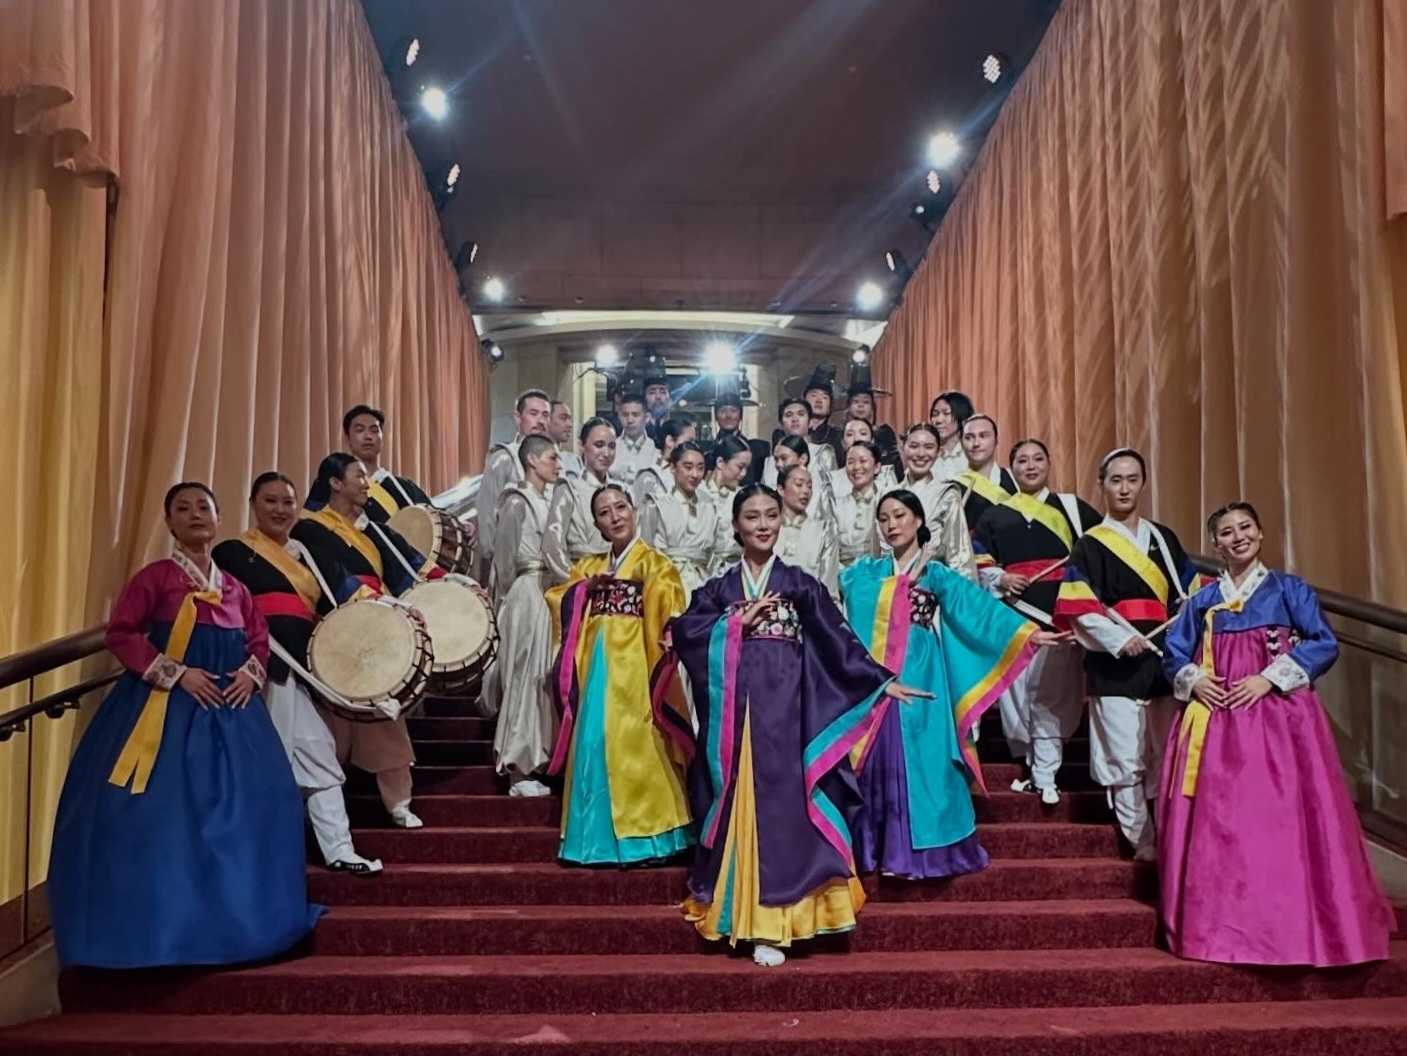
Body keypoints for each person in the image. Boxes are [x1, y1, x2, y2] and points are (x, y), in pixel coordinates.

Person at [48, 483, 322, 968]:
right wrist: (176, 673)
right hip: (164, 710)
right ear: (169, 521)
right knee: (156, 817)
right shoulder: (155, 579)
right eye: (183, 508)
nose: (195, 515)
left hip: (232, 713)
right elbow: (121, 633)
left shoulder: (234, 588)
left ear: (218, 518)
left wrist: (249, 673)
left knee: (252, 811)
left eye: (204, 507)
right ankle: (161, 930)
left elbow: (258, 639)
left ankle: (243, 924)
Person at [671, 484, 927, 967]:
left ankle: (776, 922)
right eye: (752, 517)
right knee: (738, 805)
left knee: (784, 814)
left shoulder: (800, 584)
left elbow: (837, 640)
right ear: (735, 526)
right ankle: (736, 911)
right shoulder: (718, 589)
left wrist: (878, 682)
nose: (763, 525)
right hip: (736, 720)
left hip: (789, 716)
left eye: (771, 515)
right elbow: (685, 630)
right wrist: (735, 626)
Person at [1159, 502, 1394, 966]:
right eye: (1227, 532)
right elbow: (1173, 653)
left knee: (1278, 819)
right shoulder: (1202, 601)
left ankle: (1290, 925)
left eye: (1245, 527)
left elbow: (1322, 642)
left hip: (1279, 721)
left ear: (1261, 533)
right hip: (1217, 719)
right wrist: (1195, 680)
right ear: (1215, 544)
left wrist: (1268, 678)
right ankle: (1219, 926)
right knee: (1221, 824)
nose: (1238, 537)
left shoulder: (1290, 590)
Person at [843, 489, 1048, 879]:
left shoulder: (936, 573)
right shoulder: (869, 570)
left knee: (927, 755)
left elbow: (977, 610)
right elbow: (855, 595)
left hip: (923, 665)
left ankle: (925, 854)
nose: (891, 525)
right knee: (880, 754)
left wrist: (1027, 634)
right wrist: (904, 583)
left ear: (918, 520)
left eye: (899, 515)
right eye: (884, 518)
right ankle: (878, 850)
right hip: (881, 671)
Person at [214, 472, 383, 875]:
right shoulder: (232, 553)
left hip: (298, 672)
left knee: (315, 754)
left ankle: (338, 850)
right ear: (253, 504)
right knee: (267, 763)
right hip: (252, 675)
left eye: (288, 502)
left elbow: (348, 595)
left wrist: (397, 612)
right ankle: (256, 858)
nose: (280, 509)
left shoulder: (307, 554)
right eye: (270, 501)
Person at [1054, 448, 1199, 860]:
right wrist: (1118, 639)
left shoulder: (1164, 539)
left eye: (1132, 479)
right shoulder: (1090, 544)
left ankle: (1170, 834)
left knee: (1164, 752)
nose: (1124, 488)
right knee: (1124, 757)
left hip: (1162, 660)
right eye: (1115, 480)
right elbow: (1080, 606)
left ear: (1142, 484)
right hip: (1114, 664)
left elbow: (1189, 594)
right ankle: (1143, 840)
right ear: (1101, 485)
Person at [543, 485, 695, 865]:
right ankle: (593, 841)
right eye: (604, 512)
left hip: (637, 665)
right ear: (596, 524)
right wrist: (584, 589)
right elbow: (560, 598)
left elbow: (670, 603)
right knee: (593, 742)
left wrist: (667, 623)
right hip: (596, 664)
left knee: (640, 746)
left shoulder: (654, 563)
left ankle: (652, 839)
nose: (615, 516)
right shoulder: (588, 566)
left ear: (634, 510)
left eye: (621, 507)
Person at [294, 453, 437, 829]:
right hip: (337, 626)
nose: (366, 483)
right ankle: (321, 802)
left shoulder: (371, 529)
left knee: (382, 707)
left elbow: (409, 563)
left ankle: (399, 801)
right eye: (358, 476)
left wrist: (451, 584)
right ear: (335, 483)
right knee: (333, 719)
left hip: (377, 621)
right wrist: (381, 603)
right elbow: (333, 578)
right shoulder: (310, 528)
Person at [973, 439, 1100, 805]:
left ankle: (1045, 773)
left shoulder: (1073, 509)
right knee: (1017, 697)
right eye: (1022, 460)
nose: (1030, 466)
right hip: (1014, 618)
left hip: (1058, 615)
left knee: (1052, 694)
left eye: (1037, 459)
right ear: (1011, 468)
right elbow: (979, 559)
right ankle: (1033, 767)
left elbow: (1098, 553)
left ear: (1049, 464)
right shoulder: (995, 515)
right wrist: (1001, 578)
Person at [484, 434, 562, 797]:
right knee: (524, 678)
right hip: (526, 592)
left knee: (543, 678)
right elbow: (503, 561)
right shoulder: (517, 500)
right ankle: (517, 766)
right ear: (532, 459)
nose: (558, 465)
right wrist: (503, 603)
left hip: (549, 592)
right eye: (551, 458)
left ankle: (539, 758)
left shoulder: (551, 500)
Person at [478, 389, 553, 583]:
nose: (540, 421)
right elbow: (487, 518)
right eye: (533, 413)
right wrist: (496, 563)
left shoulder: (555, 462)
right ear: (518, 418)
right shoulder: (503, 458)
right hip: (511, 568)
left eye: (545, 415)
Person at [316, 404, 432, 523]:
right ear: (347, 438)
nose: (368, 436)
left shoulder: (404, 488)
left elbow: (433, 523)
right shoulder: (335, 483)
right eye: (360, 430)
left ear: (382, 437)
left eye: (374, 430)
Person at [543, 417, 620, 585]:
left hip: (618, 578)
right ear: (582, 446)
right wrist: (578, 583)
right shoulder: (569, 489)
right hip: (579, 577)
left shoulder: (622, 491)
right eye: (599, 445)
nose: (606, 453)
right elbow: (552, 546)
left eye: (612, 446)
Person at [639, 440, 719, 601]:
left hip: (702, 583)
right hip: (665, 582)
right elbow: (643, 550)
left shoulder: (710, 507)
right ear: (673, 468)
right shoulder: (656, 504)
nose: (695, 474)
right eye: (688, 467)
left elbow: (712, 554)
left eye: (700, 468)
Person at [898, 423, 975, 579]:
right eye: (914, 446)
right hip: (889, 585)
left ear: (939, 452)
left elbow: (958, 554)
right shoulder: (888, 493)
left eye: (929, 447)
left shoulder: (947, 494)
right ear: (903, 448)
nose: (921, 454)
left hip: (929, 584)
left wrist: (965, 591)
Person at [776, 463, 839, 597]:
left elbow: (828, 585)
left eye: (809, 486)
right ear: (781, 489)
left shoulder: (824, 530)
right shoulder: (768, 529)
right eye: (799, 484)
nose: (806, 491)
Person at [956, 413, 1016, 531]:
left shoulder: (1016, 480)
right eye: (969, 437)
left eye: (983, 436)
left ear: (996, 441)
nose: (976, 443)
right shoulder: (954, 486)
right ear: (961, 444)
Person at [703, 434, 753, 571]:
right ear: (720, 462)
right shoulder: (699, 493)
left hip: (735, 570)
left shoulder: (744, 497)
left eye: (746, 468)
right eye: (740, 467)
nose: (743, 474)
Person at [841, 359, 900, 472]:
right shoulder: (841, 433)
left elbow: (895, 467)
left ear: (872, 407)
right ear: (849, 406)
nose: (861, 405)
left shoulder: (884, 433)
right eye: (856, 401)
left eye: (866, 402)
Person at [710, 380, 769, 486]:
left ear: (741, 415)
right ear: (716, 417)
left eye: (733, 410)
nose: (728, 415)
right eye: (723, 411)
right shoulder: (708, 452)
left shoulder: (757, 450)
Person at [835, 440, 883, 568]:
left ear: (877, 467)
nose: (856, 467)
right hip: (843, 574)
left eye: (863, 461)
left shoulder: (885, 501)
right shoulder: (836, 505)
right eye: (850, 462)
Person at [783, 364, 845, 464]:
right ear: (804, 400)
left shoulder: (838, 436)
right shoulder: (789, 431)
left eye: (825, 397)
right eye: (814, 395)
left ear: (830, 406)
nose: (819, 400)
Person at [633, 418, 696, 508]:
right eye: (689, 441)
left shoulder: (692, 472)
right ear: (670, 441)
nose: (693, 447)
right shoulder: (648, 471)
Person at [770, 396, 838, 477]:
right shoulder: (770, 462)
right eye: (788, 415)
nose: (795, 419)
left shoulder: (822, 452)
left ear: (810, 422)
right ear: (781, 424)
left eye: (801, 414)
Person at [927, 391, 974, 482]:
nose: (939, 420)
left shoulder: (972, 455)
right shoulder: (926, 454)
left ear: (962, 417)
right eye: (935, 414)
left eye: (946, 413)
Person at [613, 392, 657, 485]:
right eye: (625, 415)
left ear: (647, 417)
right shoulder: (611, 448)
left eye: (635, 415)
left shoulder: (657, 448)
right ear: (619, 416)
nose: (630, 420)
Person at [549, 400, 584, 478]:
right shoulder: (536, 458)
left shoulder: (574, 460)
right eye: (563, 418)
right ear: (547, 420)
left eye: (570, 419)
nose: (569, 424)